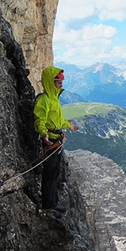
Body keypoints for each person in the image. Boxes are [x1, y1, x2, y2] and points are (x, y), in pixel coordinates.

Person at [33, 66, 79, 213]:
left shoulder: (54, 99)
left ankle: (52, 201)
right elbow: (40, 119)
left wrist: (68, 126)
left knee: (54, 171)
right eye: (58, 82)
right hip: (51, 141)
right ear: (50, 82)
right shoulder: (44, 100)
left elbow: (58, 120)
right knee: (50, 172)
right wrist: (43, 133)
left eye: (61, 82)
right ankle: (49, 204)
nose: (61, 85)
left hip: (56, 140)